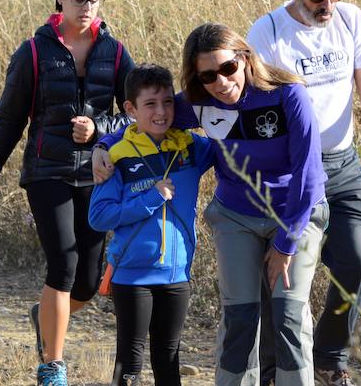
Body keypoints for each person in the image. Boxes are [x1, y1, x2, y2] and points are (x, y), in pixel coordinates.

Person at [94, 23, 328, 386]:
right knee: (240, 317)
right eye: (207, 75)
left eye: (228, 68)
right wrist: (104, 145)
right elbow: (148, 119)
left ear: (245, 59)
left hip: (293, 216)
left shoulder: (287, 96)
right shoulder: (200, 102)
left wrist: (285, 243)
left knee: (288, 317)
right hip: (236, 216)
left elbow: (309, 176)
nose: (220, 82)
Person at [0, 0, 134, 386]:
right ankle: (52, 367)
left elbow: (136, 113)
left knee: (89, 282)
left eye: (94, 0)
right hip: (48, 172)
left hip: (97, 176)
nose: (88, 8)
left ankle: (44, 315)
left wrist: (101, 129)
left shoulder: (114, 52)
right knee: (63, 264)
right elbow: (9, 121)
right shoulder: (34, 52)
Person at [246, 0, 361, 386]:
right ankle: (276, 371)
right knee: (284, 275)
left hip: (345, 164)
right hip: (293, 169)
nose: (327, 4)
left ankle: (330, 359)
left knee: (358, 265)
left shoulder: (350, 20)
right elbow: (258, 104)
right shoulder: (269, 32)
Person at [89, 64, 214, 386]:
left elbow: (230, 139)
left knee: (168, 358)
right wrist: (150, 199)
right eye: (150, 104)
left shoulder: (192, 149)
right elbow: (99, 216)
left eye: (168, 102)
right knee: (130, 362)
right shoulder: (117, 157)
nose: (161, 112)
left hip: (177, 273)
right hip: (132, 275)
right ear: (130, 109)